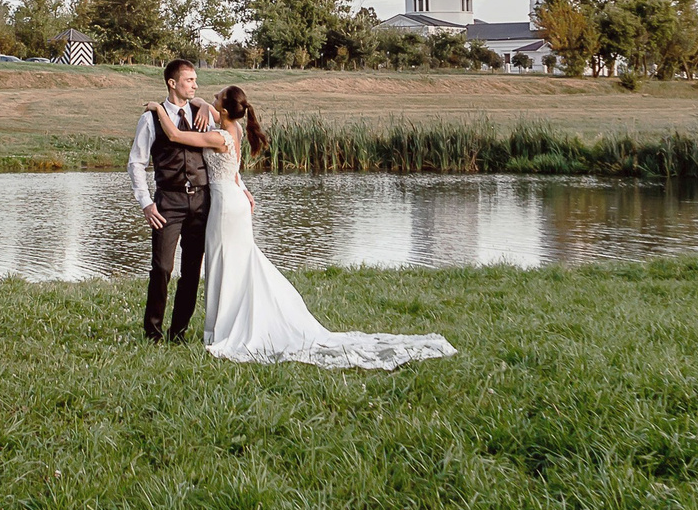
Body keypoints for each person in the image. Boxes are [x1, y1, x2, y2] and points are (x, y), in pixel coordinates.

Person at [143, 86, 456, 371]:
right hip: (233, 199)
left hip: (226, 207)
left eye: (216, 99)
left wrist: (158, 109)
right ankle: (223, 325)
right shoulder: (233, 126)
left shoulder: (219, 136)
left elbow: (175, 135)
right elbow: (199, 103)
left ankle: (226, 330)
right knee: (233, 263)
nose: (210, 100)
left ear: (223, 110)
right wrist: (196, 103)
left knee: (225, 262)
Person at [124, 57, 213, 340]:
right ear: (172, 83)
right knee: (162, 267)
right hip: (168, 203)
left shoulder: (202, 113)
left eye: (195, 80)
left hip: (201, 201)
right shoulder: (151, 118)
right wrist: (146, 203)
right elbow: (136, 163)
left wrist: (207, 105)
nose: (195, 85)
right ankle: (153, 332)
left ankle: (179, 332)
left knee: (191, 271)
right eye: (189, 80)